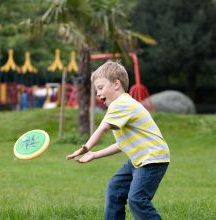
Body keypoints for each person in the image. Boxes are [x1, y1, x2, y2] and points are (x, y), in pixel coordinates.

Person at [66, 61, 170, 220]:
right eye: (96, 90)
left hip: (152, 159)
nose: (98, 94)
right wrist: (94, 154)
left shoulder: (121, 104)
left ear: (116, 84)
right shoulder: (122, 106)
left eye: (100, 88)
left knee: (137, 200)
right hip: (139, 160)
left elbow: (103, 128)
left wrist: (86, 148)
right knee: (115, 189)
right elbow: (122, 144)